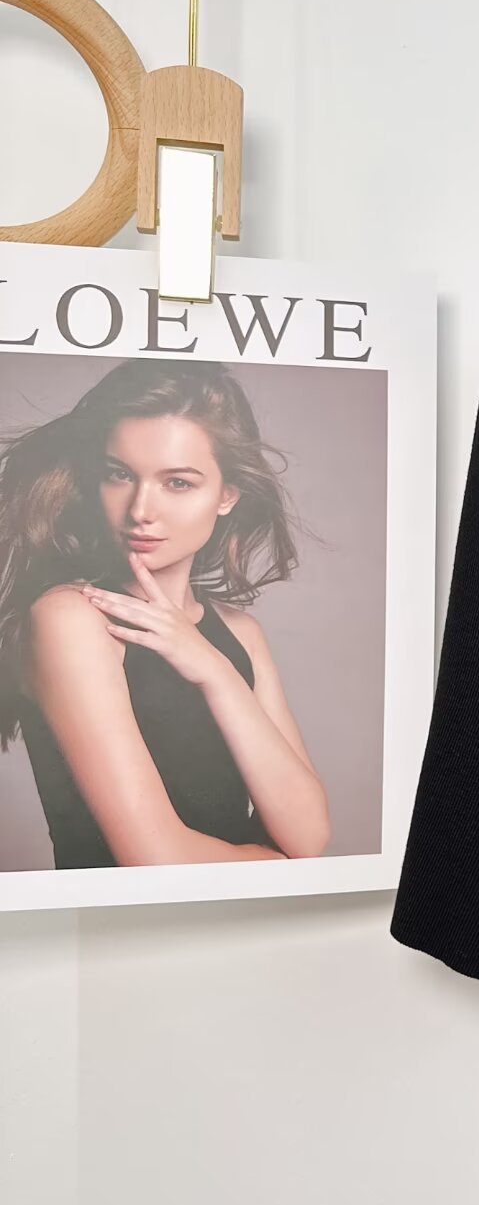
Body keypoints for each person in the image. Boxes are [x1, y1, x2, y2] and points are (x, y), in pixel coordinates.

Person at [0, 358, 330, 868]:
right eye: (119, 475)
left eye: (177, 483)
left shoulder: (240, 633)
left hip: (246, 916)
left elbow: (309, 835)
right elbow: (154, 858)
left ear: (227, 495)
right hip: (131, 921)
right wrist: (279, 869)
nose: (140, 510)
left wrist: (213, 670)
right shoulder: (71, 618)